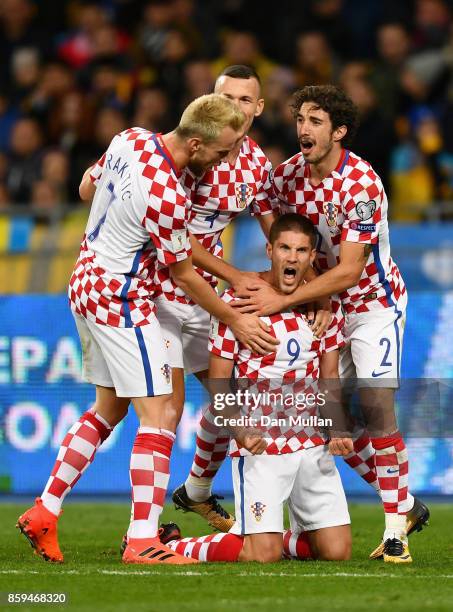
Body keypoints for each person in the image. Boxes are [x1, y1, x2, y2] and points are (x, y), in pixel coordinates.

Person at [15, 93, 279, 566]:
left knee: (106, 410)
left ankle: (45, 509)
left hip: (84, 280)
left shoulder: (130, 138)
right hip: (122, 297)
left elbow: (84, 189)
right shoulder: (168, 196)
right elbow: (184, 276)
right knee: (160, 416)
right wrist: (235, 317)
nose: (223, 161)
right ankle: (141, 541)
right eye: (219, 153)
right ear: (195, 145)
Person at [235, 85, 429, 563]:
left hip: (370, 306)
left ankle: (394, 533)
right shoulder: (287, 176)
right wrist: (301, 281)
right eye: (301, 118)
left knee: (377, 407)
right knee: (323, 419)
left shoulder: (361, 184)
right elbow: (267, 212)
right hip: (321, 303)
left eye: (316, 121)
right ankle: (403, 503)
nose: (304, 128)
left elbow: (350, 270)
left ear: (339, 131)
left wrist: (290, 297)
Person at [161, 65, 331, 532]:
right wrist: (236, 275)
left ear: (257, 109)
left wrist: (308, 290)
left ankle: (195, 491)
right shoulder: (191, 151)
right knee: (165, 409)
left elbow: (278, 236)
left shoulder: (256, 166)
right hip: (156, 290)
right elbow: (173, 238)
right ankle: (143, 530)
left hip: (205, 296)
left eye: (243, 100)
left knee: (227, 396)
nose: (233, 107)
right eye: (225, 97)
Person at [159, 214, 351, 563]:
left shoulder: (324, 308)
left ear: (311, 258)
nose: (292, 257)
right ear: (270, 250)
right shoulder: (238, 302)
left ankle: (277, 537)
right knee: (261, 556)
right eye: (284, 248)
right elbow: (219, 382)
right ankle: (172, 544)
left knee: (337, 553)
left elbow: (330, 379)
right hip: (261, 446)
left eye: (301, 250)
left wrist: (337, 425)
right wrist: (240, 429)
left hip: (310, 444)